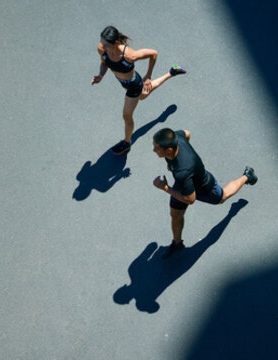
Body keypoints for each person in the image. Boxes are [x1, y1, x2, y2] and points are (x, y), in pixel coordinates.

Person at [150, 128, 257, 258]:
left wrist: (165, 188)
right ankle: (177, 243)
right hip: (184, 183)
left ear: (169, 150)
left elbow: (190, 199)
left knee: (223, 196)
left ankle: (247, 176)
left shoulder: (182, 171)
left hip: (204, 187)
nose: (153, 150)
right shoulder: (177, 137)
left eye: (156, 148)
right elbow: (187, 133)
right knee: (175, 214)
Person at [91, 25, 186, 155]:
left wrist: (148, 76)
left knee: (126, 115)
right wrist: (101, 75)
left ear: (116, 42)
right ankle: (172, 72)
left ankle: (126, 143)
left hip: (133, 85)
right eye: (101, 42)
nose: (102, 46)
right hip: (125, 84)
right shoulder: (102, 50)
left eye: (106, 44)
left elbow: (153, 53)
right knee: (144, 94)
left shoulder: (129, 55)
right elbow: (104, 63)